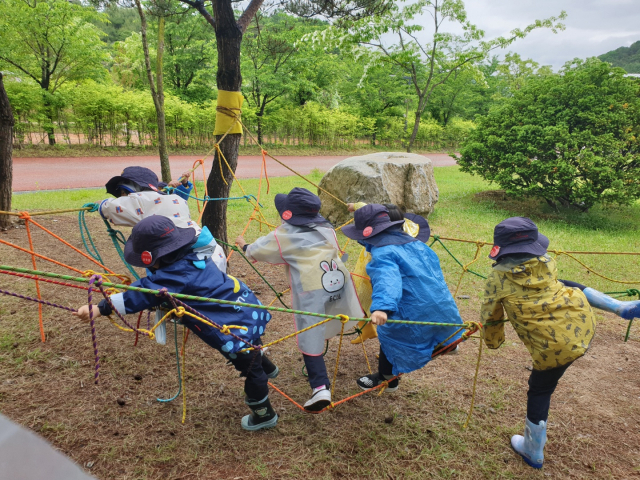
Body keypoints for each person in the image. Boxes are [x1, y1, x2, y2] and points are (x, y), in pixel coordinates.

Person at [74, 216, 279, 431]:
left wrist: (100, 308)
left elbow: (140, 295)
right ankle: (269, 367)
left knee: (250, 368)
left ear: (155, 257)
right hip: (245, 309)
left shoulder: (175, 275)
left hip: (233, 324)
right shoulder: (194, 254)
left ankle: (264, 414)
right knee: (253, 347)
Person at [481, 216, 640, 468]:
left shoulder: (497, 279)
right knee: (566, 284)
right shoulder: (546, 261)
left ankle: (533, 450)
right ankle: (619, 307)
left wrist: (493, 341)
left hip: (553, 348)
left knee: (540, 389)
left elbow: (490, 315)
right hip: (581, 323)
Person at [235, 188, 363, 412]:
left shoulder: (284, 234)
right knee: (331, 315)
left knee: (309, 333)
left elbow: (259, 250)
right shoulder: (326, 228)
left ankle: (320, 387)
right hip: (338, 278)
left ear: (289, 215)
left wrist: (244, 245)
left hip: (312, 286)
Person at [341, 204, 465, 392]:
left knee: (390, 337)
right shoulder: (417, 245)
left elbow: (387, 279)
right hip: (440, 304)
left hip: (410, 307)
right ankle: (447, 344)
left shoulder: (383, 253)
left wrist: (382, 307)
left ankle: (387, 379)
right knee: (435, 327)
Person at [99, 166, 226, 273]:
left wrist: (100, 204)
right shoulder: (174, 199)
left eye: (122, 193)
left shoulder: (138, 201)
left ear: (132, 189)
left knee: (169, 287)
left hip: (179, 256)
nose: (122, 197)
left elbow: (109, 208)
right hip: (211, 249)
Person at [346, 202, 431, 345]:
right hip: (377, 277)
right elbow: (365, 207)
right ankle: (370, 332)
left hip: (384, 281)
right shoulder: (405, 236)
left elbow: (388, 277)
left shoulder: (387, 249)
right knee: (361, 301)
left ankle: (389, 349)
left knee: (385, 310)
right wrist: (355, 205)